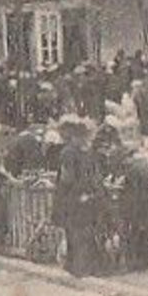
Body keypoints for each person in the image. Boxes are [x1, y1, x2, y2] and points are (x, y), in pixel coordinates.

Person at [52, 116, 107, 277]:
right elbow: (67, 178)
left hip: (83, 196)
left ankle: (80, 266)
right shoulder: (70, 153)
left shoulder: (83, 152)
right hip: (74, 198)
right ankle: (78, 266)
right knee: (77, 232)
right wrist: (84, 191)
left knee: (82, 232)